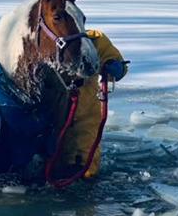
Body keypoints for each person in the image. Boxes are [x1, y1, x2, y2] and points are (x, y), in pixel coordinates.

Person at [52, 29, 127, 179]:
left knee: (86, 163)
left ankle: (85, 183)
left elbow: (115, 61)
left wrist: (115, 66)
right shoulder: (44, 39)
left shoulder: (94, 40)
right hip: (50, 114)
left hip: (85, 112)